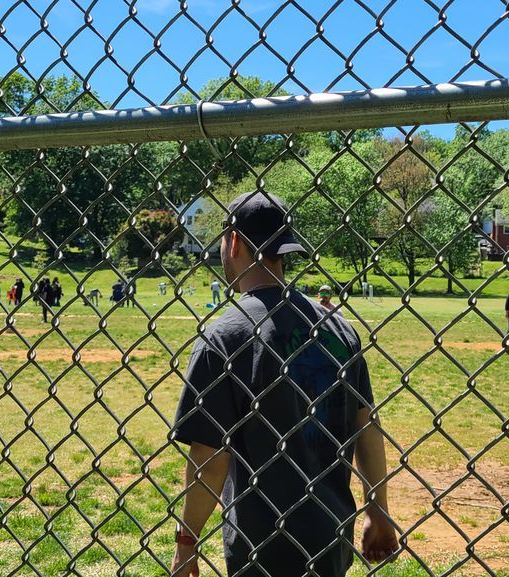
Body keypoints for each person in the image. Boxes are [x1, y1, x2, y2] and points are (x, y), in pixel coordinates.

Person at [170, 192, 397, 577]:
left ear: (234, 241)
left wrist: (187, 541)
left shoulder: (225, 335)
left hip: (259, 544)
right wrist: (377, 509)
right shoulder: (338, 328)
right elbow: (367, 427)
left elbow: (210, 458)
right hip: (331, 532)